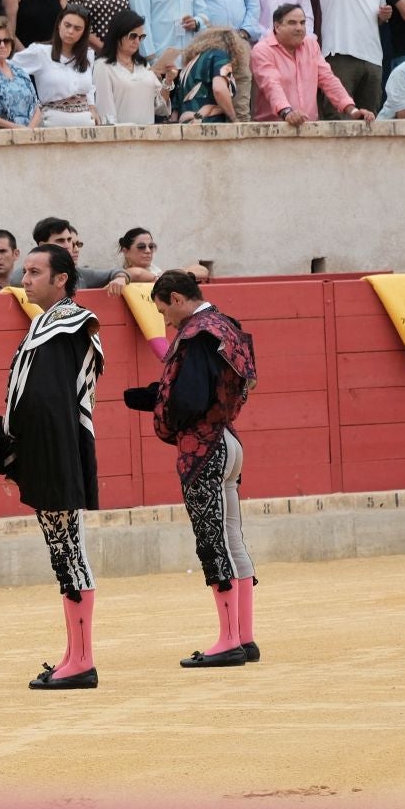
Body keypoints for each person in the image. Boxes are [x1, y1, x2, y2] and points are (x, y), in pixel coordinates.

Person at [0, 242, 106, 689]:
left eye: (34, 272)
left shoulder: (67, 325)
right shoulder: (51, 324)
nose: (24, 279)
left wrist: (21, 450)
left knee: (71, 553)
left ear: (61, 279)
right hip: (49, 451)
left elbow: (47, 402)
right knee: (63, 553)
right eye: (26, 271)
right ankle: (74, 655)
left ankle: (83, 660)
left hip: (56, 452)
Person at [121, 270, 261, 667]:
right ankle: (244, 637)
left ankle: (229, 641)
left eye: (164, 310)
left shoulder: (197, 334)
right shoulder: (224, 325)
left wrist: (161, 406)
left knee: (213, 541)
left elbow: (191, 398)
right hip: (228, 439)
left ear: (178, 298)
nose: (165, 320)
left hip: (204, 447)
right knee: (232, 540)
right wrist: (153, 396)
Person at [251, 3, 372, 122]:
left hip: (309, 128)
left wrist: (353, 111)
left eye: (302, 23)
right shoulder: (262, 50)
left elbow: (328, 80)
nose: (299, 28)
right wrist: (286, 112)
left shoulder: (311, 45)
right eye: (292, 23)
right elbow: (271, 84)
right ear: (277, 27)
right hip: (272, 129)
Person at [11, 4, 99, 125]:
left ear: (84, 32)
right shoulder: (40, 52)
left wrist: (92, 108)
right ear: (59, 25)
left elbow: (89, 88)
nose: (70, 31)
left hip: (85, 122)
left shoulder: (88, 54)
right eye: (67, 25)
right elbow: (8, 68)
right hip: (52, 121)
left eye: (77, 28)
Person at [93, 9, 161, 123]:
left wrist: (169, 80)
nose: (137, 41)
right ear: (118, 34)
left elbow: (159, 107)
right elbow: (105, 112)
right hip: (121, 133)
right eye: (132, 36)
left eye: (141, 37)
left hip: (149, 132)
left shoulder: (144, 65)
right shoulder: (103, 66)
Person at [0, 15, 41, 125]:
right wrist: (19, 130)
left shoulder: (20, 71)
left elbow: (36, 108)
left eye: (7, 41)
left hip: (30, 131)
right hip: (2, 133)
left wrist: (30, 130)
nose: (2, 45)